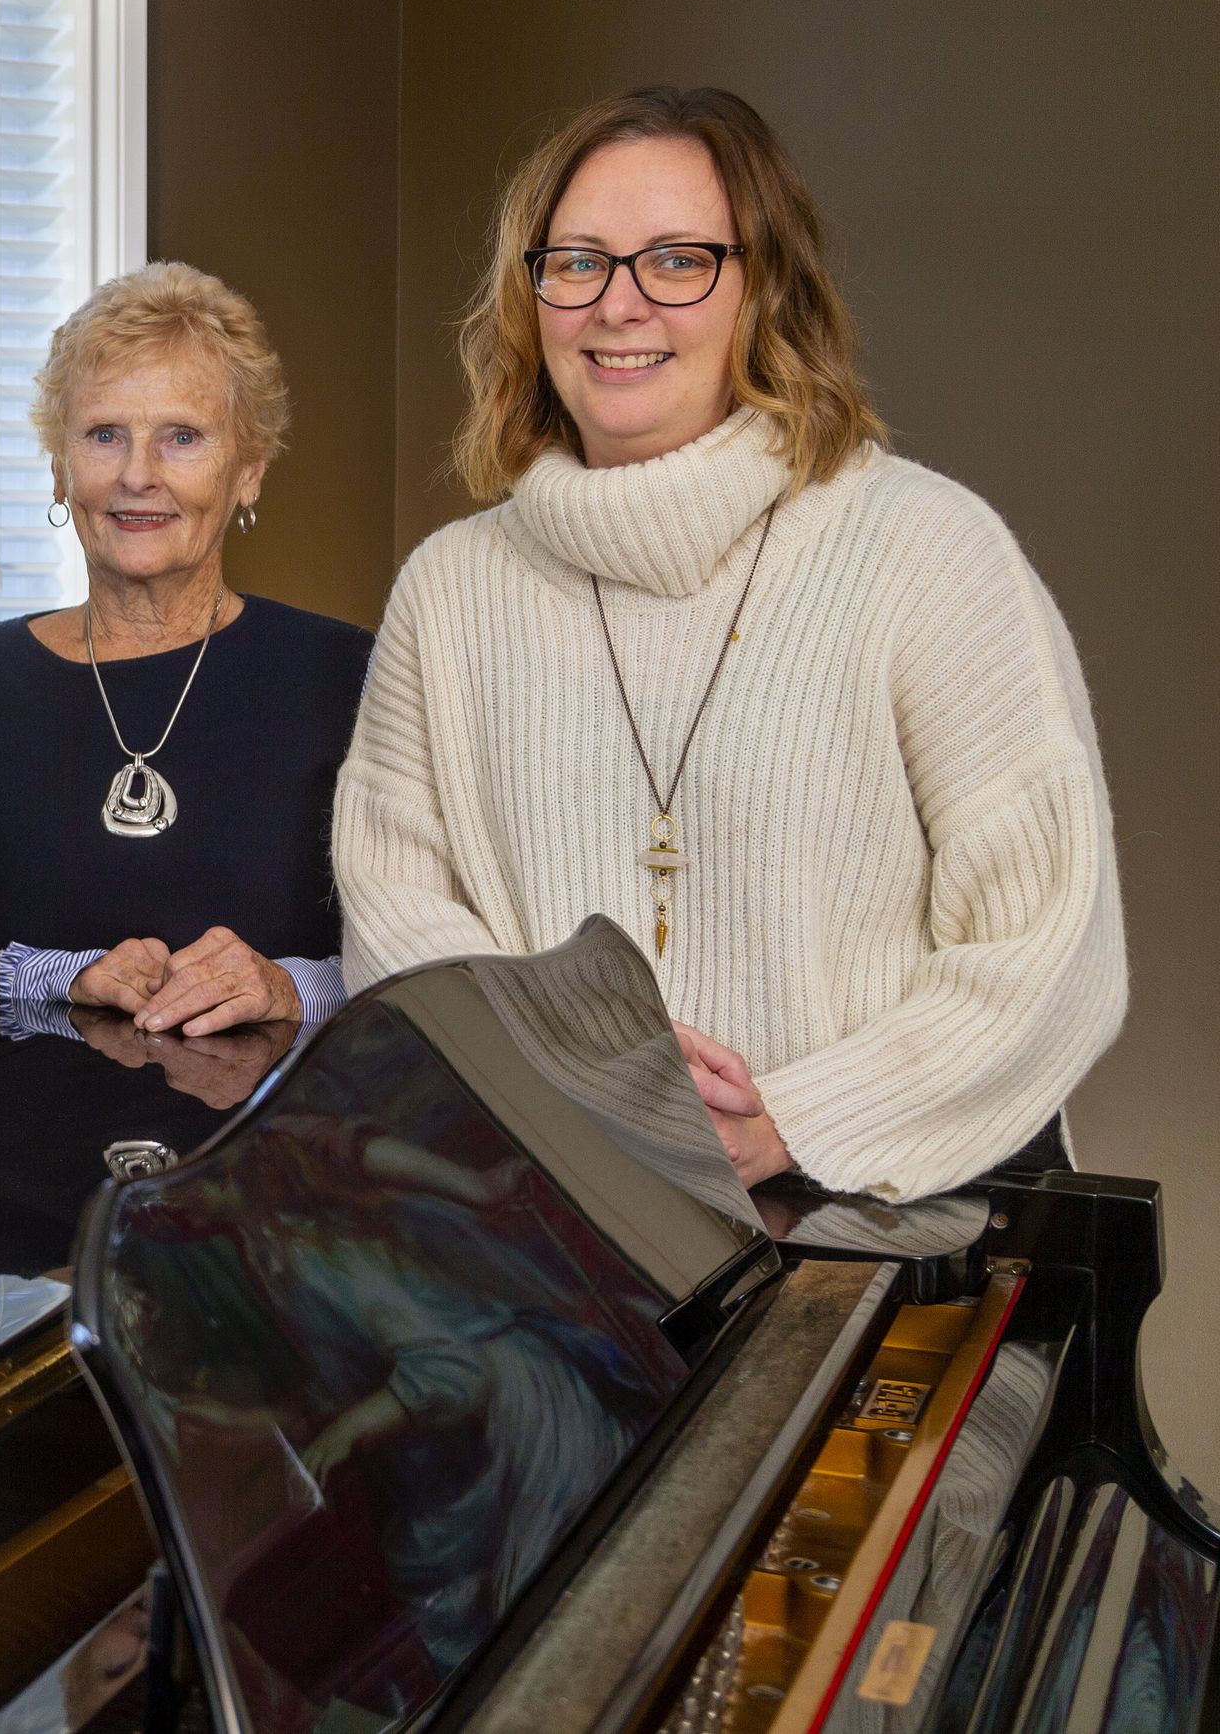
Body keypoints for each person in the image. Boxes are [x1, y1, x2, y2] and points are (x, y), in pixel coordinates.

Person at [335, 85, 1124, 1200]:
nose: (620, 306)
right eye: (578, 262)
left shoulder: (929, 549)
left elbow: (1049, 947)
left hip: (886, 1220)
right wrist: (571, 1096)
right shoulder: (450, 589)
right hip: (556, 1212)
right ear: (533, 295)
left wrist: (791, 1119)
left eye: (677, 260)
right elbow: (398, 918)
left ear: (766, 288)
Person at [0, 262, 373, 1041]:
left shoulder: (350, 677)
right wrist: (57, 974)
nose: (138, 475)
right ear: (60, 468)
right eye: (103, 434)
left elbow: (430, 952)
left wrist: (287, 987)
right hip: (18, 1144)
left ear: (249, 471)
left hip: (274, 1146)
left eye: (182, 438)